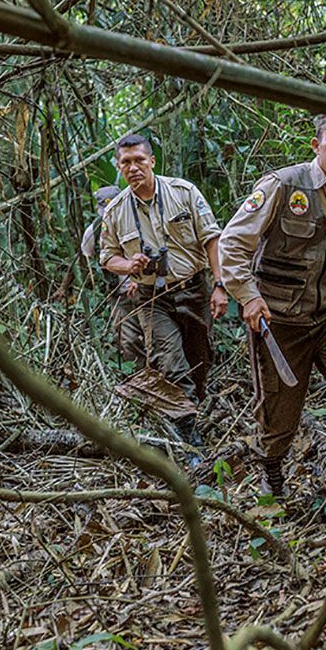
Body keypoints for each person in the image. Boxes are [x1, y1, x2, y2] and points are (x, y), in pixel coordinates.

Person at [217, 115, 326, 498]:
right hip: (278, 319)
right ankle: (272, 480)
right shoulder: (283, 185)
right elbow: (232, 243)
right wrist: (248, 296)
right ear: (317, 144)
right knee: (278, 416)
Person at [99, 133, 229, 446]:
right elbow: (107, 257)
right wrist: (128, 265)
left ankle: (193, 408)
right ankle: (189, 440)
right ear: (119, 167)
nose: (133, 168)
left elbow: (212, 239)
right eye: (125, 163)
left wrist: (221, 285)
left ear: (152, 161)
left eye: (139, 160)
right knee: (170, 362)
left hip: (193, 288)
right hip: (150, 298)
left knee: (200, 359)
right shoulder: (115, 211)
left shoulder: (183, 192)